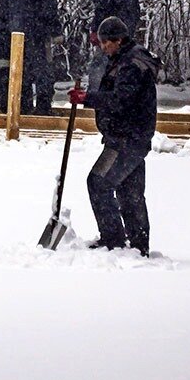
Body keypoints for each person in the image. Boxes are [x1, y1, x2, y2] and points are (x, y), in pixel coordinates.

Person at [68, 15, 159, 257]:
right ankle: (139, 245)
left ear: (119, 40)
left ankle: (114, 240)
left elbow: (121, 100)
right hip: (132, 137)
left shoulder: (130, 64)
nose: (103, 47)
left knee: (98, 182)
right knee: (130, 192)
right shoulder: (127, 58)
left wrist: (87, 99)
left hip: (126, 139)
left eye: (106, 43)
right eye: (101, 43)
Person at [9, 0, 63, 115]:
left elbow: (11, 8)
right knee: (44, 72)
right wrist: (56, 32)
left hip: (19, 36)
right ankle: (43, 108)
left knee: (23, 72)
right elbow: (50, 10)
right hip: (39, 35)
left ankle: (23, 108)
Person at [88, 0, 141, 87]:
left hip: (109, 28)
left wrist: (95, 30)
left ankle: (96, 96)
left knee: (100, 63)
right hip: (126, 26)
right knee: (121, 62)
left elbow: (102, 6)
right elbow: (133, 5)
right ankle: (119, 94)